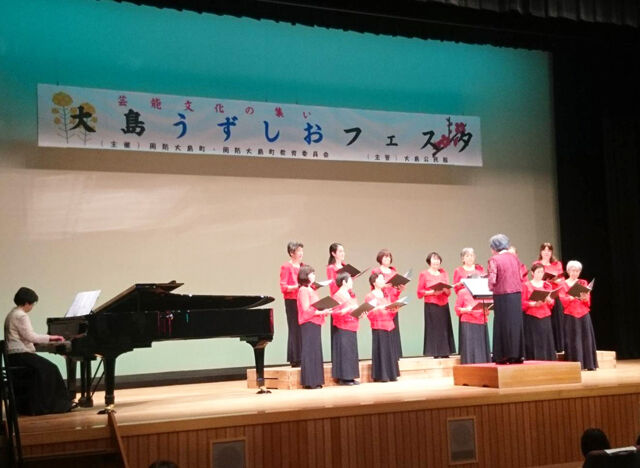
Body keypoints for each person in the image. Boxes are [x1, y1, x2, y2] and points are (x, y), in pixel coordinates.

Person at [4, 287, 72, 415]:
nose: (32, 307)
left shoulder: (12, 313)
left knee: (46, 369)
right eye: (32, 304)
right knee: (51, 369)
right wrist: (52, 337)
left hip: (14, 357)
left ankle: (37, 405)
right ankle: (55, 405)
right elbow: (31, 337)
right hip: (21, 355)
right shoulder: (21, 315)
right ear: (27, 303)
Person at [487, 234, 525, 364]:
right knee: (515, 324)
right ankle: (517, 355)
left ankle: (503, 355)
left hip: (502, 295)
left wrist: (490, 286)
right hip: (516, 295)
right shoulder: (514, 258)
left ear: (494, 247)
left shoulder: (494, 259)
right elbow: (521, 275)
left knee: (502, 324)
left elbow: (492, 280)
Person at [559, 260, 598, 370]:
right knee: (573, 339)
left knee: (586, 338)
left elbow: (587, 301)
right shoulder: (563, 284)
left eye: (577, 271)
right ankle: (576, 365)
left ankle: (589, 364)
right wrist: (571, 297)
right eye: (573, 270)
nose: (575, 273)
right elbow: (563, 300)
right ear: (568, 271)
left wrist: (585, 298)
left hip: (583, 314)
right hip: (571, 315)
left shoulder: (582, 282)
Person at [417, 252, 456, 358]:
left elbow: (449, 293)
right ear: (429, 261)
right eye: (434, 259)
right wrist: (432, 292)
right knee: (434, 328)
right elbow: (420, 292)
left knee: (444, 328)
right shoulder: (424, 274)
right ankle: (435, 352)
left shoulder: (444, 274)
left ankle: (445, 352)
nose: (436, 261)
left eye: (438, 259)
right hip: (431, 304)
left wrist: (445, 289)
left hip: (444, 303)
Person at [365, 272, 399, 382]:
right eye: (380, 279)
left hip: (389, 324)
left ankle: (392, 374)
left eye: (383, 279)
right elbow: (368, 313)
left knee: (390, 350)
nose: (383, 281)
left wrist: (393, 310)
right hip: (378, 325)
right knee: (381, 350)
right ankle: (382, 375)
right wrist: (379, 308)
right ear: (374, 282)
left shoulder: (386, 295)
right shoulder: (370, 296)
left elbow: (390, 313)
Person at [297, 265, 326, 389]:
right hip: (308, 323)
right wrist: (320, 311)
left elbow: (315, 307)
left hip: (315, 322)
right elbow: (306, 309)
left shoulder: (311, 289)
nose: (314, 276)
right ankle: (310, 381)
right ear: (305, 275)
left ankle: (316, 380)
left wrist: (324, 310)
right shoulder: (303, 290)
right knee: (309, 351)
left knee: (315, 350)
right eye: (311, 273)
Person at [371, 248, 404, 360]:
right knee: (383, 330)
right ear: (380, 258)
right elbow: (373, 287)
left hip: (392, 302)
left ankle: (395, 354)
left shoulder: (394, 273)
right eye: (385, 257)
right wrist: (384, 286)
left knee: (394, 328)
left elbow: (395, 291)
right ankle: (385, 355)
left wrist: (399, 289)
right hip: (381, 302)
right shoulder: (376, 271)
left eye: (389, 257)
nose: (387, 259)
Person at [522, 262, 557, 361]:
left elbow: (552, 303)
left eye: (542, 272)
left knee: (546, 339)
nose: (540, 274)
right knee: (534, 340)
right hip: (532, 317)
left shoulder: (547, 285)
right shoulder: (526, 285)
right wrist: (533, 304)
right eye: (538, 272)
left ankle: (548, 361)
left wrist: (550, 300)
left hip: (545, 315)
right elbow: (522, 302)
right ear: (532, 273)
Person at [331, 271, 360, 385]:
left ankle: (351, 376)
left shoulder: (350, 294)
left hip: (352, 324)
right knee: (345, 352)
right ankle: (344, 377)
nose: (352, 282)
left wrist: (361, 312)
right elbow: (334, 313)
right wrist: (348, 309)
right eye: (350, 280)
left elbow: (355, 309)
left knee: (351, 351)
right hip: (342, 325)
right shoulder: (337, 295)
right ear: (344, 282)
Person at [538, 242, 566, 352]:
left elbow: (562, 280)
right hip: (544, 294)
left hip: (555, 294)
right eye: (544, 250)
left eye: (549, 250)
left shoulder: (557, 264)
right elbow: (536, 279)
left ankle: (558, 346)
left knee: (557, 320)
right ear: (541, 252)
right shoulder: (537, 263)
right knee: (546, 321)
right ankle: (548, 346)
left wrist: (556, 280)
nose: (546, 252)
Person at [279, 241, 304, 367]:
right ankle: (295, 357)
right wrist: (296, 286)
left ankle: (302, 356)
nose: (301, 253)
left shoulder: (303, 266)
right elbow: (283, 287)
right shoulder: (286, 267)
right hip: (292, 300)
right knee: (294, 328)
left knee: (303, 328)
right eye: (298, 251)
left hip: (303, 299)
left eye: (301, 251)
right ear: (291, 253)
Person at [454, 287, 491, 364]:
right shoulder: (463, 292)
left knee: (481, 349)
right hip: (468, 322)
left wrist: (486, 311)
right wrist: (467, 309)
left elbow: (487, 310)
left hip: (481, 322)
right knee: (469, 350)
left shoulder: (482, 291)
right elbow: (457, 309)